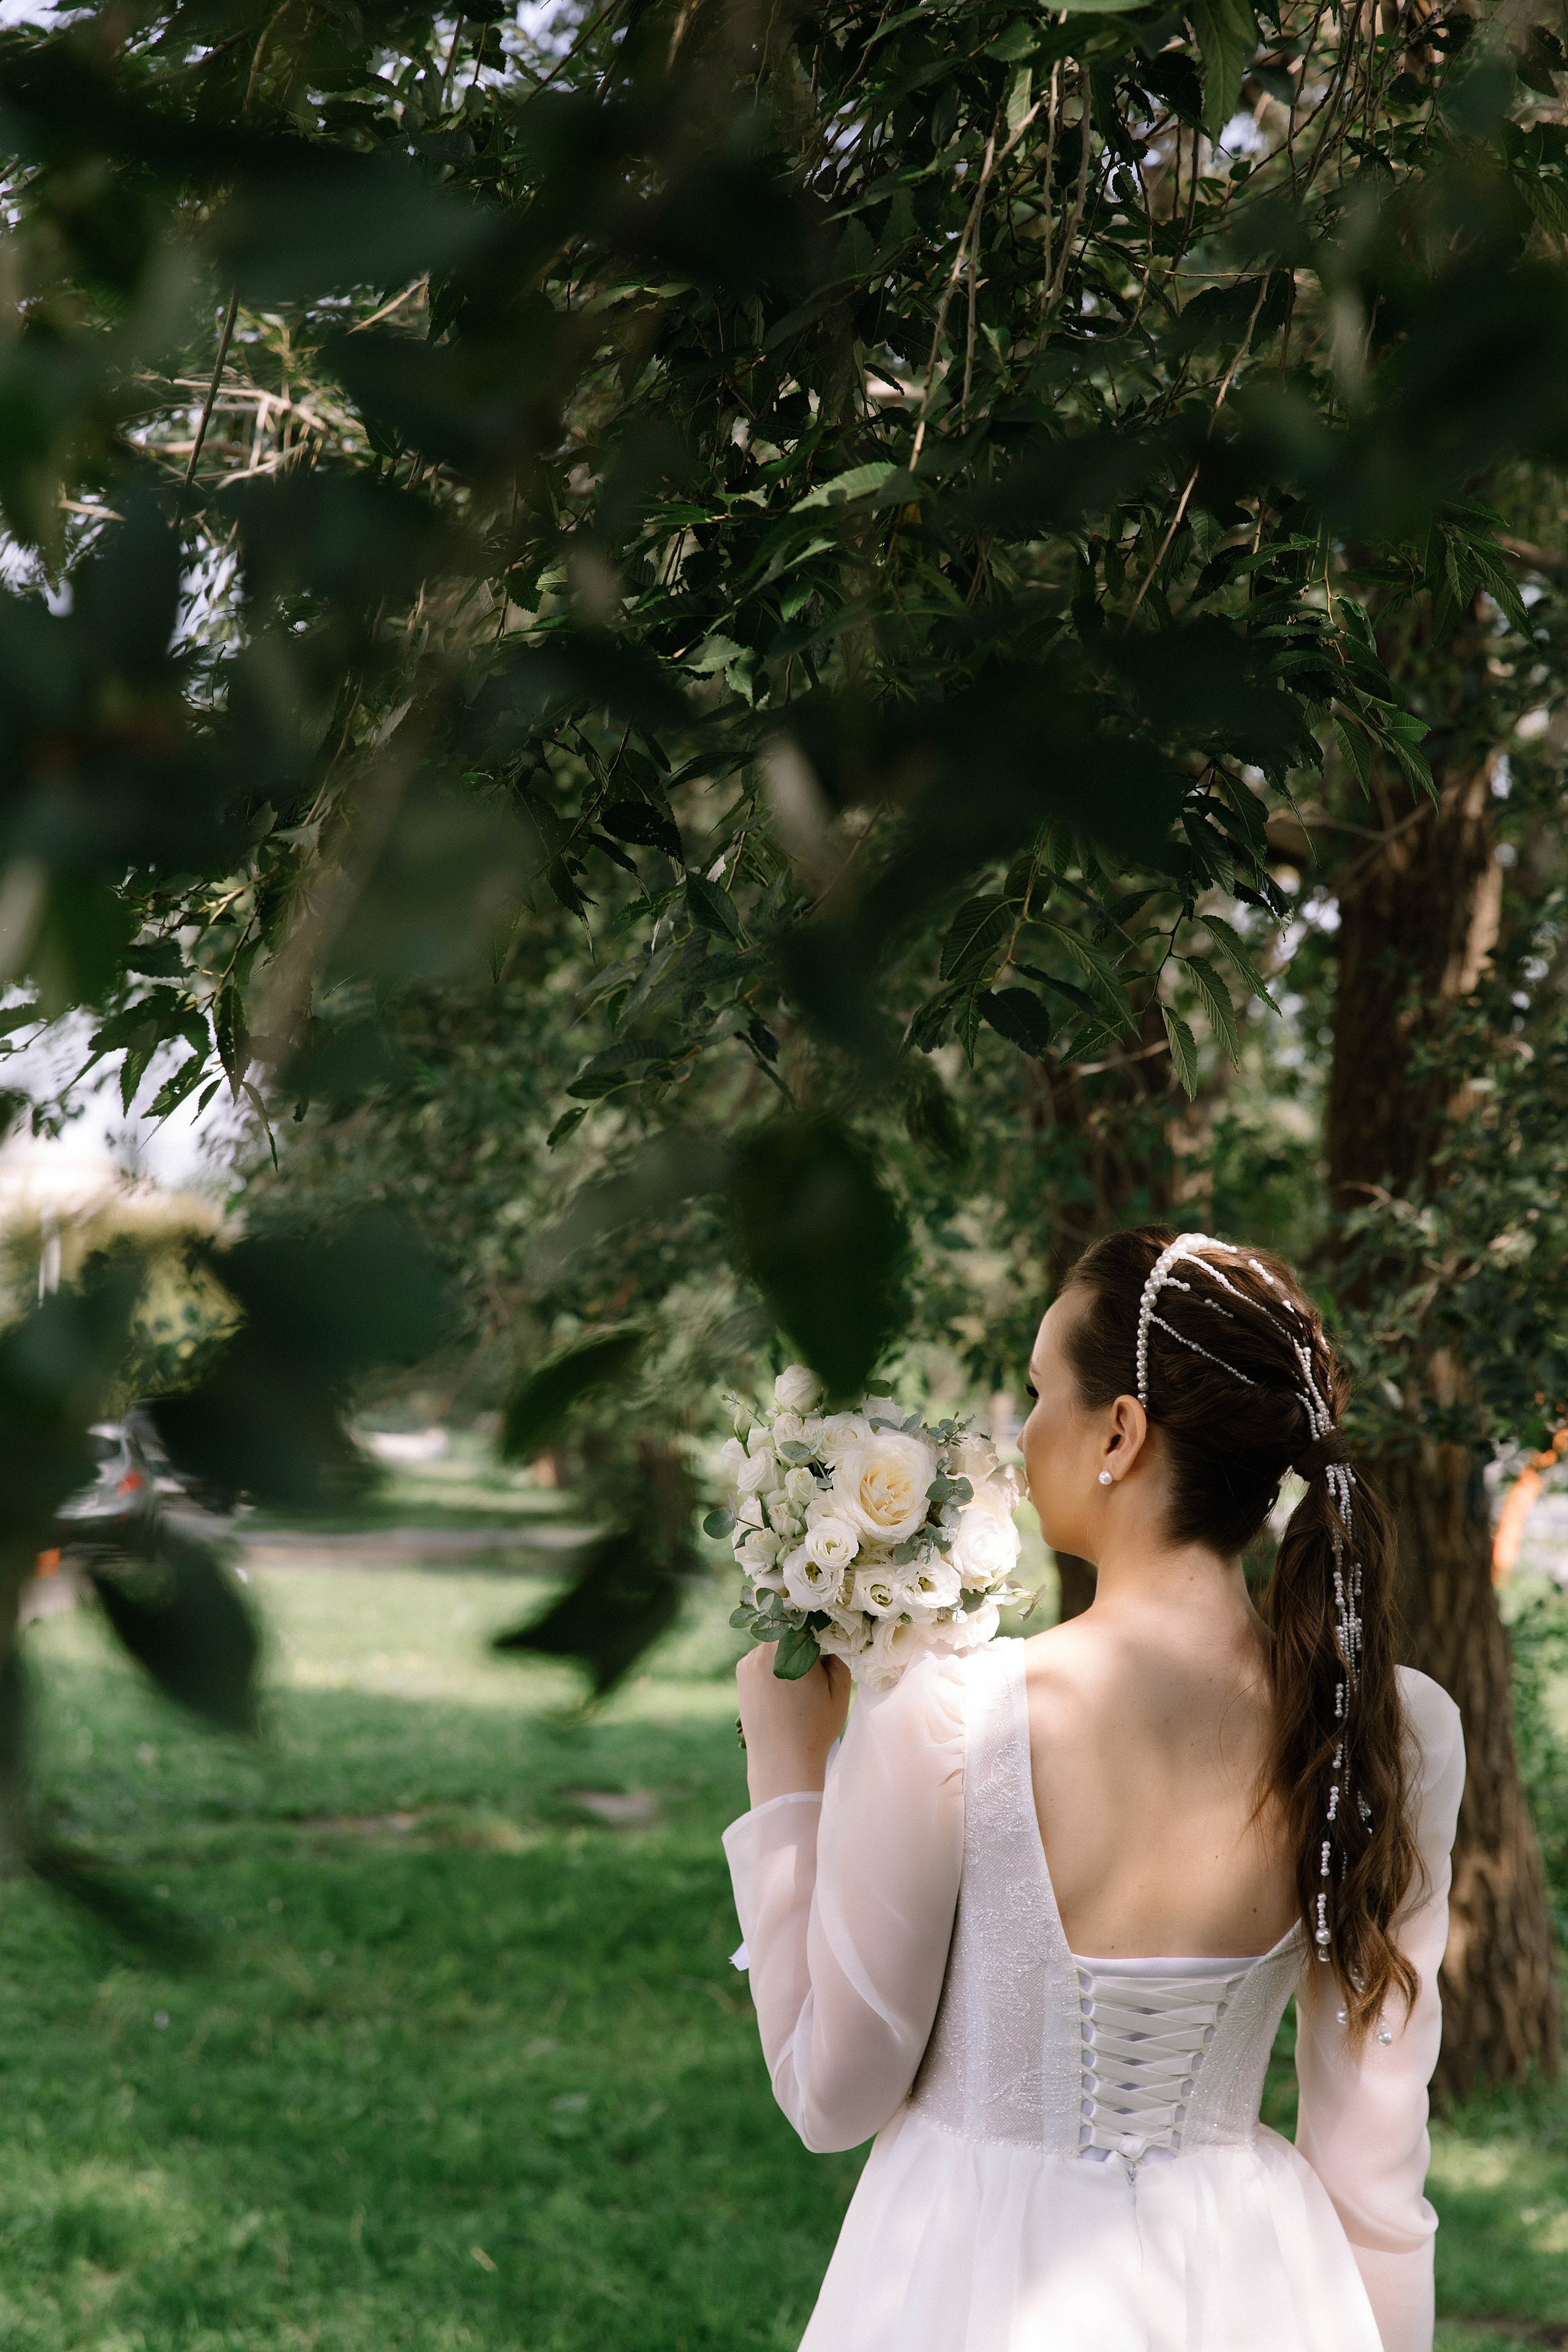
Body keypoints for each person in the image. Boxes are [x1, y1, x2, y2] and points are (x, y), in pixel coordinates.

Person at [726, 1227, 1464, 2352]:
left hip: (964, 2286)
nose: (1021, 1437)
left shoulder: (945, 1716)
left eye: (1037, 1392)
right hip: (1250, 2290)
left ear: (1120, 1430)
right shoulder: (1390, 1731)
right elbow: (1374, 2169)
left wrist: (785, 1765)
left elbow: (830, 2097)